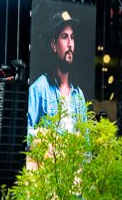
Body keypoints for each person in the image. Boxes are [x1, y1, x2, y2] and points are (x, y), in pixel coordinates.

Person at [27, 10, 87, 141]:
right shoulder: (39, 89)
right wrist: (42, 135)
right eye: (65, 37)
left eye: (72, 37)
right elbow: (25, 131)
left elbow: (85, 143)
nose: (70, 43)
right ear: (54, 45)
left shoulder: (78, 95)